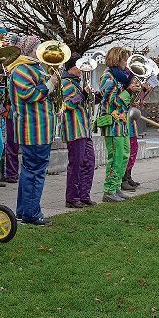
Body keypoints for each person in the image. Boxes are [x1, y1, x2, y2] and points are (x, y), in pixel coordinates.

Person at [8, 35, 57, 225]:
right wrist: (50, 84)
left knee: (30, 171)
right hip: (34, 128)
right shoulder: (21, 69)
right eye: (38, 47)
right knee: (35, 172)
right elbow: (28, 94)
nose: (41, 51)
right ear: (30, 49)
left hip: (39, 128)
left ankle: (23, 211)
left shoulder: (32, 67)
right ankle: (31, 214)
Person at [98, 47, 141, 202]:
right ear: (116, 59)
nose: (127, 63)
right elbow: (112, 102)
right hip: (112, 123)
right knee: (115, 156)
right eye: (124, 59)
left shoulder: (121, 78)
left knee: (123, 155)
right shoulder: (108, 78)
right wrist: (128, 90)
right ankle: (108, 190)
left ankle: (116, 188)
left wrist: (134, 91)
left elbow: (126, 101)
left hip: (122, 123)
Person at [60, 53, 96, 208]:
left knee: (89, 162)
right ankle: (72, 198)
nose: (81, 69)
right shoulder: (66, 83)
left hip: (84, 128)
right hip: (74, 129)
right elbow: (67, 105)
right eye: (78, 66)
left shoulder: (77, 82)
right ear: (71, 68)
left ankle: (83, 194)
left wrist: (93, 96)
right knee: (76, 164)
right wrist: (83, 94)